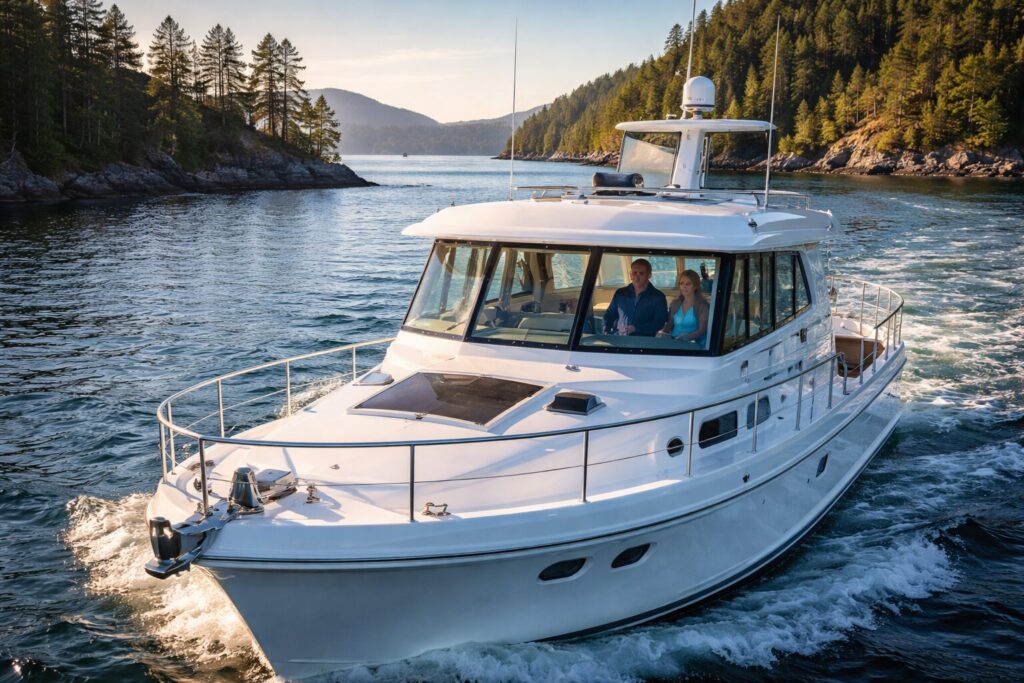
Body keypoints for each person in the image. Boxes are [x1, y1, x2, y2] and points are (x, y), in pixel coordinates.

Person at [602, 258, 668, 336]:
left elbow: (659, 323)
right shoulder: (620, 293)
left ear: (649, 275)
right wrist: (606, 331)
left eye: (641, 273)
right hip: (619, 338)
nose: (637, 277)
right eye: (634, 273)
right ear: (630, 275)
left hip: (643, 340)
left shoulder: (658, 297)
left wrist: (637, 328)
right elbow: (609, 314)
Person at [662, 269, 709, 345]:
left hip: (694, 345)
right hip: (673, 342)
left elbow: (702, 330)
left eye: (688, 284)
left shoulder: (703, 306)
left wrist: (688, 337)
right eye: (681, 283)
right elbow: (668, 326)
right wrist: (661, 336)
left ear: (695, 286)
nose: (684, 286)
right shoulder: (675, 304)